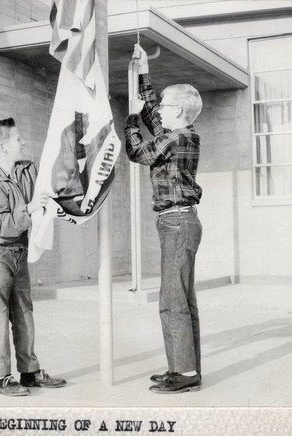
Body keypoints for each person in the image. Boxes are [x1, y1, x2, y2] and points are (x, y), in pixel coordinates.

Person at [124, 44, 203, 394]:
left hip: (177, 222)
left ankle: (184, 373)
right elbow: (153, 109)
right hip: (177, 221)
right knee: (181, 297)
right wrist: (143, 71)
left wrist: (129, 119)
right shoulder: (175, 130)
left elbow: (138, 151)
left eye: (167, 107)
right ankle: (183, 367)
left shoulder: (178, 137)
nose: (159, 112)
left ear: (181, 111)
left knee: (172, 299)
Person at [0, 117, 66, 396]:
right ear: (2, 146)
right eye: (17, 139)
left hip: (20, 251)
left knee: (24, 313)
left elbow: (53, 184)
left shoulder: (28, 170)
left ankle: (29, 372)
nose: (23, 141)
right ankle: (2, 378)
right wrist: (27, 209)